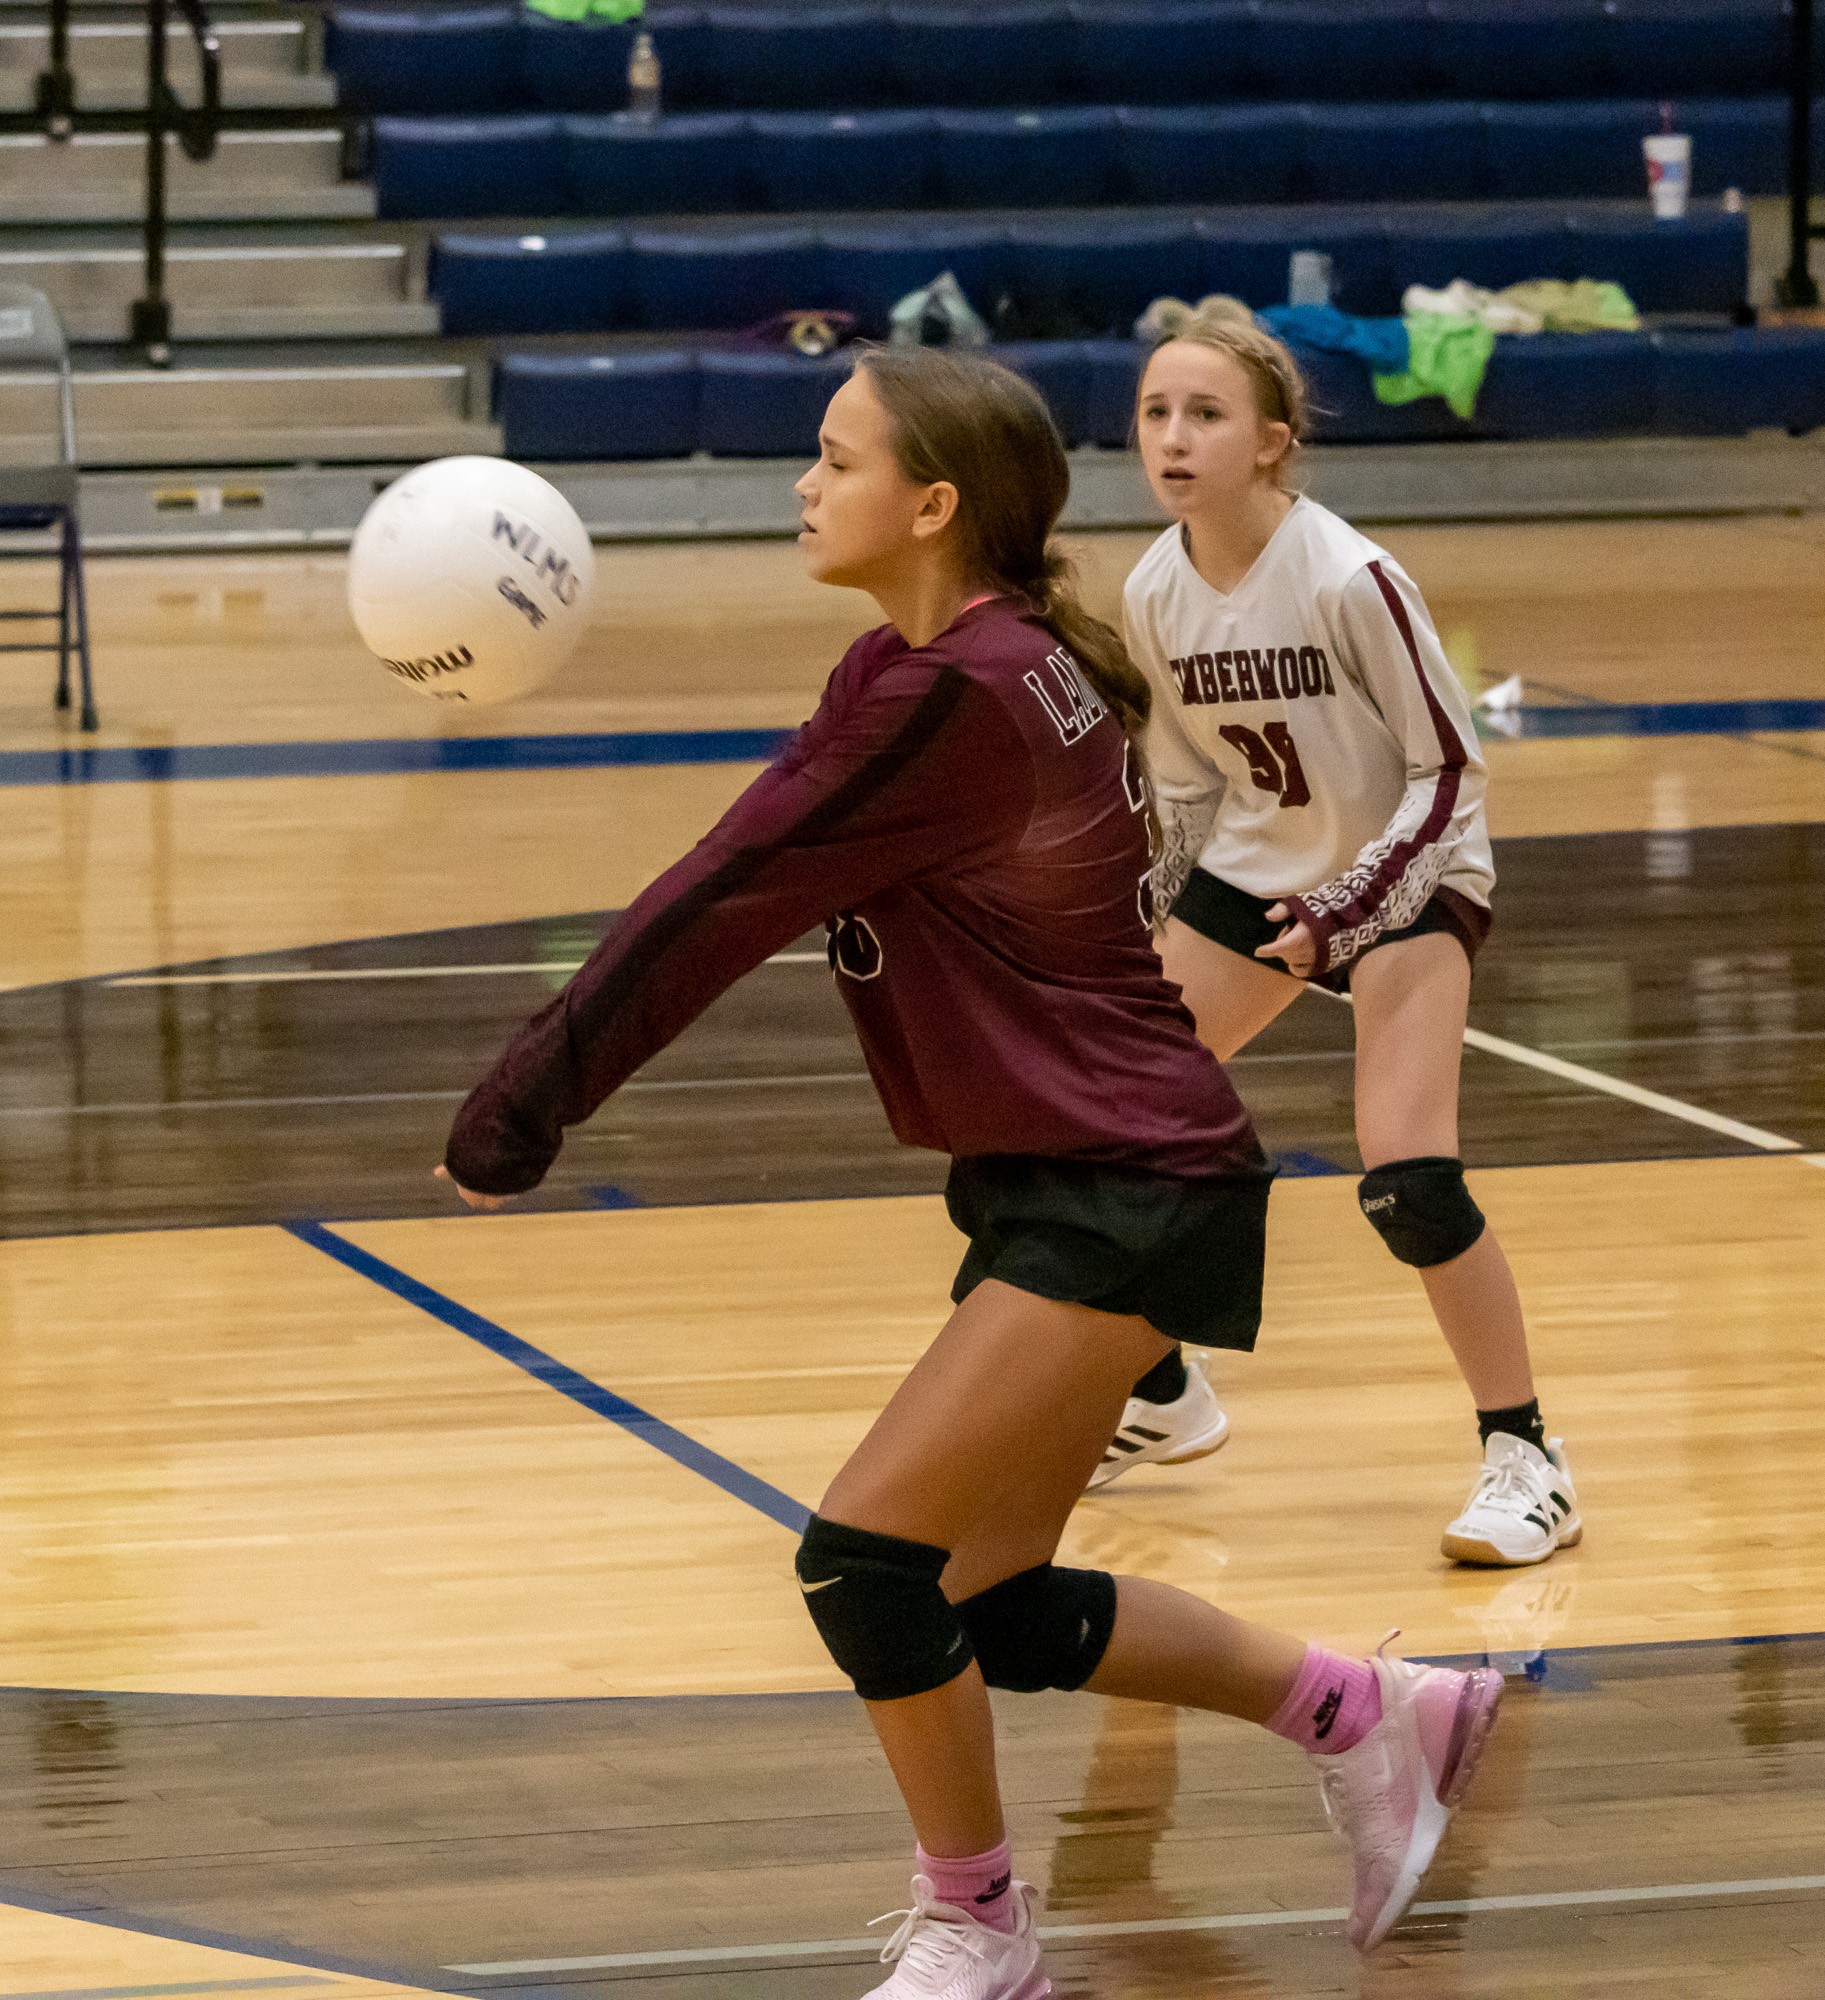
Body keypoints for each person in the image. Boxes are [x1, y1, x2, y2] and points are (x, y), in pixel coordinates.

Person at [437, 347, 1503, 1998]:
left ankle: (983, 1925)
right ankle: (1370, 1711)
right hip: (1081, 1171)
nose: (806, 482)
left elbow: (725, 892)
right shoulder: (945, 665)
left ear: (930, 504)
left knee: (865, 1565)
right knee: (991, 1600)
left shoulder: (955, 695)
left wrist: (523, 1103)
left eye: (835, 455)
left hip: (1124, 1182)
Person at [1095, 297, 1579, 1572]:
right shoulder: (1153, 588)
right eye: (1155, 412)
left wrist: (1350, 908)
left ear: (1271, 439)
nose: (1173, 436)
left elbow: (1446, 771)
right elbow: (1188, 792)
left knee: (1406, 1177)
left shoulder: (1347, 575)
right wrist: (1136, 919)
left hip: (1410, 876)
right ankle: (1161, 1390)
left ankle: (1527, 1454)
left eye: (1205, 413)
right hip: (1269, 869)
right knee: (1099, 1115)